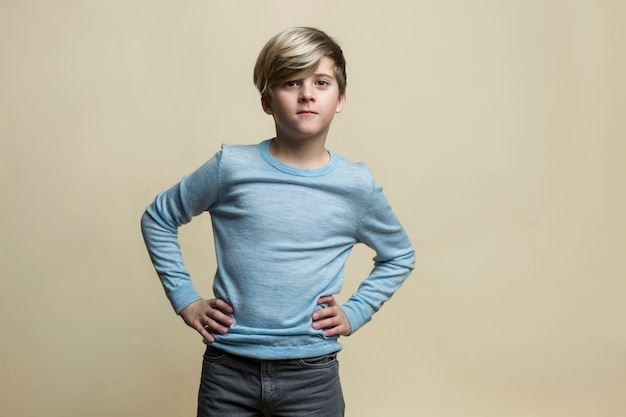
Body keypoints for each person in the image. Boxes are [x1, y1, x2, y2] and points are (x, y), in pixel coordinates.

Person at [141, 26, 415, 417]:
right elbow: (159, 218)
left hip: (312, 375)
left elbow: (399, 255)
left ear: (340, 99)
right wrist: (185, 300)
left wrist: (355, 312)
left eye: (321, 82)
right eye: (290, 82)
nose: (307, 93)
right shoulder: (231, 168)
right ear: (267, 100)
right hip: (228, 368)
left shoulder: (356, 186)